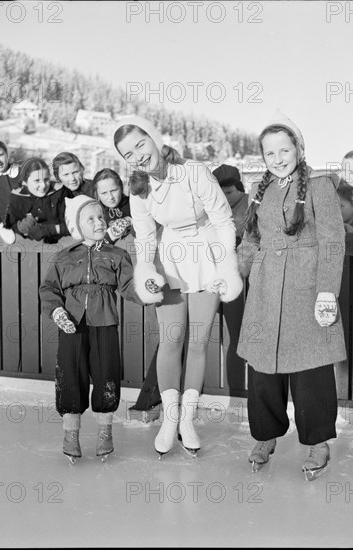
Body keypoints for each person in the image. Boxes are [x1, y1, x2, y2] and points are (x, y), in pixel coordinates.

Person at [113, 115, 242, 458]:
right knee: (171, 340)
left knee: (198, 342)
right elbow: (143, 237)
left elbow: (223, 219)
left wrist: (225, 261)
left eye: (140, 145)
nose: (137, 156)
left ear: (155, 140)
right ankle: (169, 419)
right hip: (170, 258)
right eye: (128, 153)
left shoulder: (194, 172)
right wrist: (145, 270)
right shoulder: (139, 187)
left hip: (207, 252)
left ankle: (187, 420)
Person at [237, 110, 346, 480]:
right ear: (263, 157)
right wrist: (235, 274)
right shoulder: (260, 189)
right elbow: (251, 239)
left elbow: (333, 241)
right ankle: (266, 436)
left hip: (307, 288)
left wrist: (327, 290)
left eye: (285, 150)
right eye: (270, 153)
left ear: (298, 149)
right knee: (263, 370)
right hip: (265, 290)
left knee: (311, 371)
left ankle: (318, 441)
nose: (278, 158)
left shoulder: (320, 186)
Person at [39, 195, 143, 463]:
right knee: (70, 374)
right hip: (72, 324)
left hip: (105, 321)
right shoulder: (64, 257)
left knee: (106, 372)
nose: (99, 222)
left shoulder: (117, 255)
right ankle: (70, 434)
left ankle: (105, 431)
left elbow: (129, 287)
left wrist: (146, 288)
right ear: (77, 226)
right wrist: (56, 310)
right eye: (91, 218)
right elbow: (49, 289)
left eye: (101, 217)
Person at [4, 157, 69, 243]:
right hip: (30, 252)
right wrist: (21, 228)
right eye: (37, 181)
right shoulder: (17, 197)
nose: (43, 185)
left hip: (64, 247)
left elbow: (74, 225)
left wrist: (48, 230)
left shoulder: (60, 192)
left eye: (46, 179)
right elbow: (10, 224)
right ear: (25, 182)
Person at [92, 167, 133, 245]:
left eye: (114, 190)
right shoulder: (95, 212)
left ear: (121, 188)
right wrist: (110, 234)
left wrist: (130, 220)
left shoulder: (132, 203)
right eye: (104, 193)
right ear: (97, 194)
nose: (110, 197)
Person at [213, 164, 249, 244]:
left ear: (239, 189)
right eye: (220, 193)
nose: (224, 197)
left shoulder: (251, 204)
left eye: (229, 192)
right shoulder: (212, 207)